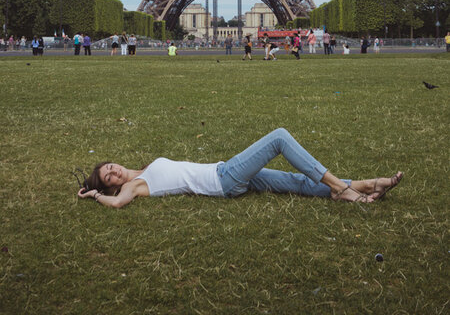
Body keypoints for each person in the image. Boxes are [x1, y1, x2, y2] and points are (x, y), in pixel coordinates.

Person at [77, 127, 403, 209]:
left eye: (110, 165)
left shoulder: (141, 171)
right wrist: (95, 195)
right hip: (224, 178)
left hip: (228, 176)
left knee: (292, 181)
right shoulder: (132, 188)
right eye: (109, 176)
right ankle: (339, 187)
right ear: (111, 185)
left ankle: (368, 185)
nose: (114, 170)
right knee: (279, 138)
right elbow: (119, 203)